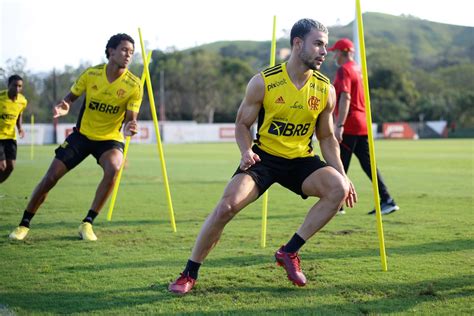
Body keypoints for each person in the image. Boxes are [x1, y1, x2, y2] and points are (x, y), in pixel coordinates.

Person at [168, 19, 357, 295]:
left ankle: (289, 252)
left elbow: (327, 138)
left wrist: (342, 173)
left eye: (325, 45)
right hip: (263, 158)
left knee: (338, 188)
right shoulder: (263, 82)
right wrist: (246, 151)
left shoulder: (325, 89)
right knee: (226, 208)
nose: (324, 51)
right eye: (317, 44)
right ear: (297, 43)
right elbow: (242, 125)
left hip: (300, 161)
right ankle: (189, 273)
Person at [9, 33, 142, 241]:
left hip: (109, 140)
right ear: (111, 51)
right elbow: (70, 98)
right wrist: (64, 107)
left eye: (132, 52)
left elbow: (130, 119)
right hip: (81, 136)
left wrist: (130, 127)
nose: (128, 55)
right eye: (124, 50)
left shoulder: (134, 85)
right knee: (50, 177)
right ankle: (24, 224)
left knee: (115, 167)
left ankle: (87, 223)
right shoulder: (91, 75)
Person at [328, 38, 399, 215]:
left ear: (343, 52)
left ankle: (338, 205)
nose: (334, 55)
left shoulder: (344, 70)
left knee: (339, 164)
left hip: (350, 123)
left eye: (335, 52)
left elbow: (345, 97)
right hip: (362, 122)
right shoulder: (358, 69)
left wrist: (339, 124)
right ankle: (387, 200)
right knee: (368, 165)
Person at [0, 75, 27, 183]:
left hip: (10, 137)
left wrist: (20, 127)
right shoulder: (1, 98)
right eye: (14, 85)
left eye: (20, 86)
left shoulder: (23, 101)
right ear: (8, 85)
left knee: (10, 167)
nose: (17, 89)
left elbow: (19, 115)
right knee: (2, 166)